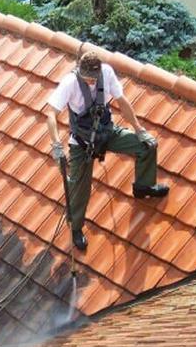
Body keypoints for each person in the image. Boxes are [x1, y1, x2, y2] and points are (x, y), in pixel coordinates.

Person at [46, 50, 169, 251]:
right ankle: (76, 228)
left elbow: (122, 102)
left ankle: (144, 186)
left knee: (147, 146)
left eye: (94, 79)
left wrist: (139, 130)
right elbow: (51, 114)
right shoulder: (70, 82)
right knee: (79, 188)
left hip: (106, 133)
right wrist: (56, 145)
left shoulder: (107, 73)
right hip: (82, 142)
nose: (91, 82)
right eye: (88, 79)